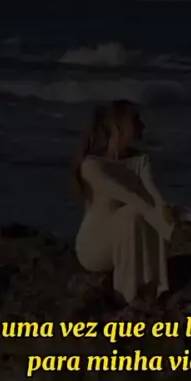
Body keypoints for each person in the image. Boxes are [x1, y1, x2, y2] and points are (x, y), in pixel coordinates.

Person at [71, 99, 179, 304]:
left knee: (136, 214)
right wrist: (165, 226)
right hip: (94, 246)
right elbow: (131, 197)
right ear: (117, 126)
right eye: (135, 120)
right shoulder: (92, 166)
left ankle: (151, 286)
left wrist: (166, 210)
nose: (143, 125)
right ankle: (126, 294)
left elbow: (153, 194)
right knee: (132, 212)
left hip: (126, 237)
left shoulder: (141, 160)